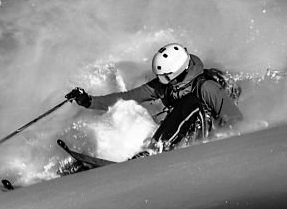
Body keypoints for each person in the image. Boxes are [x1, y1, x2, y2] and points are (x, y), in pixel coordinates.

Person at [66, 43, 243, 154]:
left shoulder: (207, 87)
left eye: (165, 77)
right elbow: (128, 98)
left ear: (178, 73)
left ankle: (155, 149)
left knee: (191, 104)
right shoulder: (169, 84)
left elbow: (235, 119)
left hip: (206, 137)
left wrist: (218, 144)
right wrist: (89, 101)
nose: (161, 82)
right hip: (178, 134)